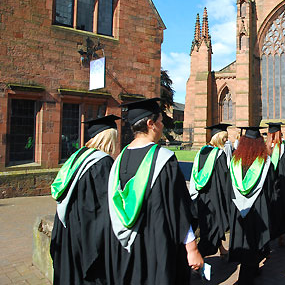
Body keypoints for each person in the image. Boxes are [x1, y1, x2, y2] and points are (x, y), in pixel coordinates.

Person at [106, 98, 203, 284]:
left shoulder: (119, 160)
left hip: (126, 247)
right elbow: (179, 209)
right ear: (151, 124)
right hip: (158, 246)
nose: (161, 126)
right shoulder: (164, 160)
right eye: (160, 121)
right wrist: (192, 249)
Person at [50, 114, 120, 285]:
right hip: (85, 233)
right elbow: (104, 208)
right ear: (108, 138)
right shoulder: (102, 163)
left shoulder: (78, 156)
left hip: (67, 227)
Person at [227, 126, 274, 285]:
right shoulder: (265, 161)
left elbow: (229, 186)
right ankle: (245, 279)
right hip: (257, 209)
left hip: (238, 208)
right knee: (253, 241)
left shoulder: (235, 160)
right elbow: (270, 188)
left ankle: (253, 269)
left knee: (245, 240)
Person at [189, 123, 231, 258]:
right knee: (213, 228)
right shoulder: (219, 155)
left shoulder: (201, 152)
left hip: (201, 197)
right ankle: (198, 259)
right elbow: (225, 180)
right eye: (224, 138)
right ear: (219, 138)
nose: (226, 141)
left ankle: (222, 249)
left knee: (207, 225)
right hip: (214, 198)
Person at [266, 122, 285, 246]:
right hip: (281, 186)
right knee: (282, 210)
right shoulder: (284, 149)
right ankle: (281, 237)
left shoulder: (264, 149)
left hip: (268, 187)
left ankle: (267, 240)